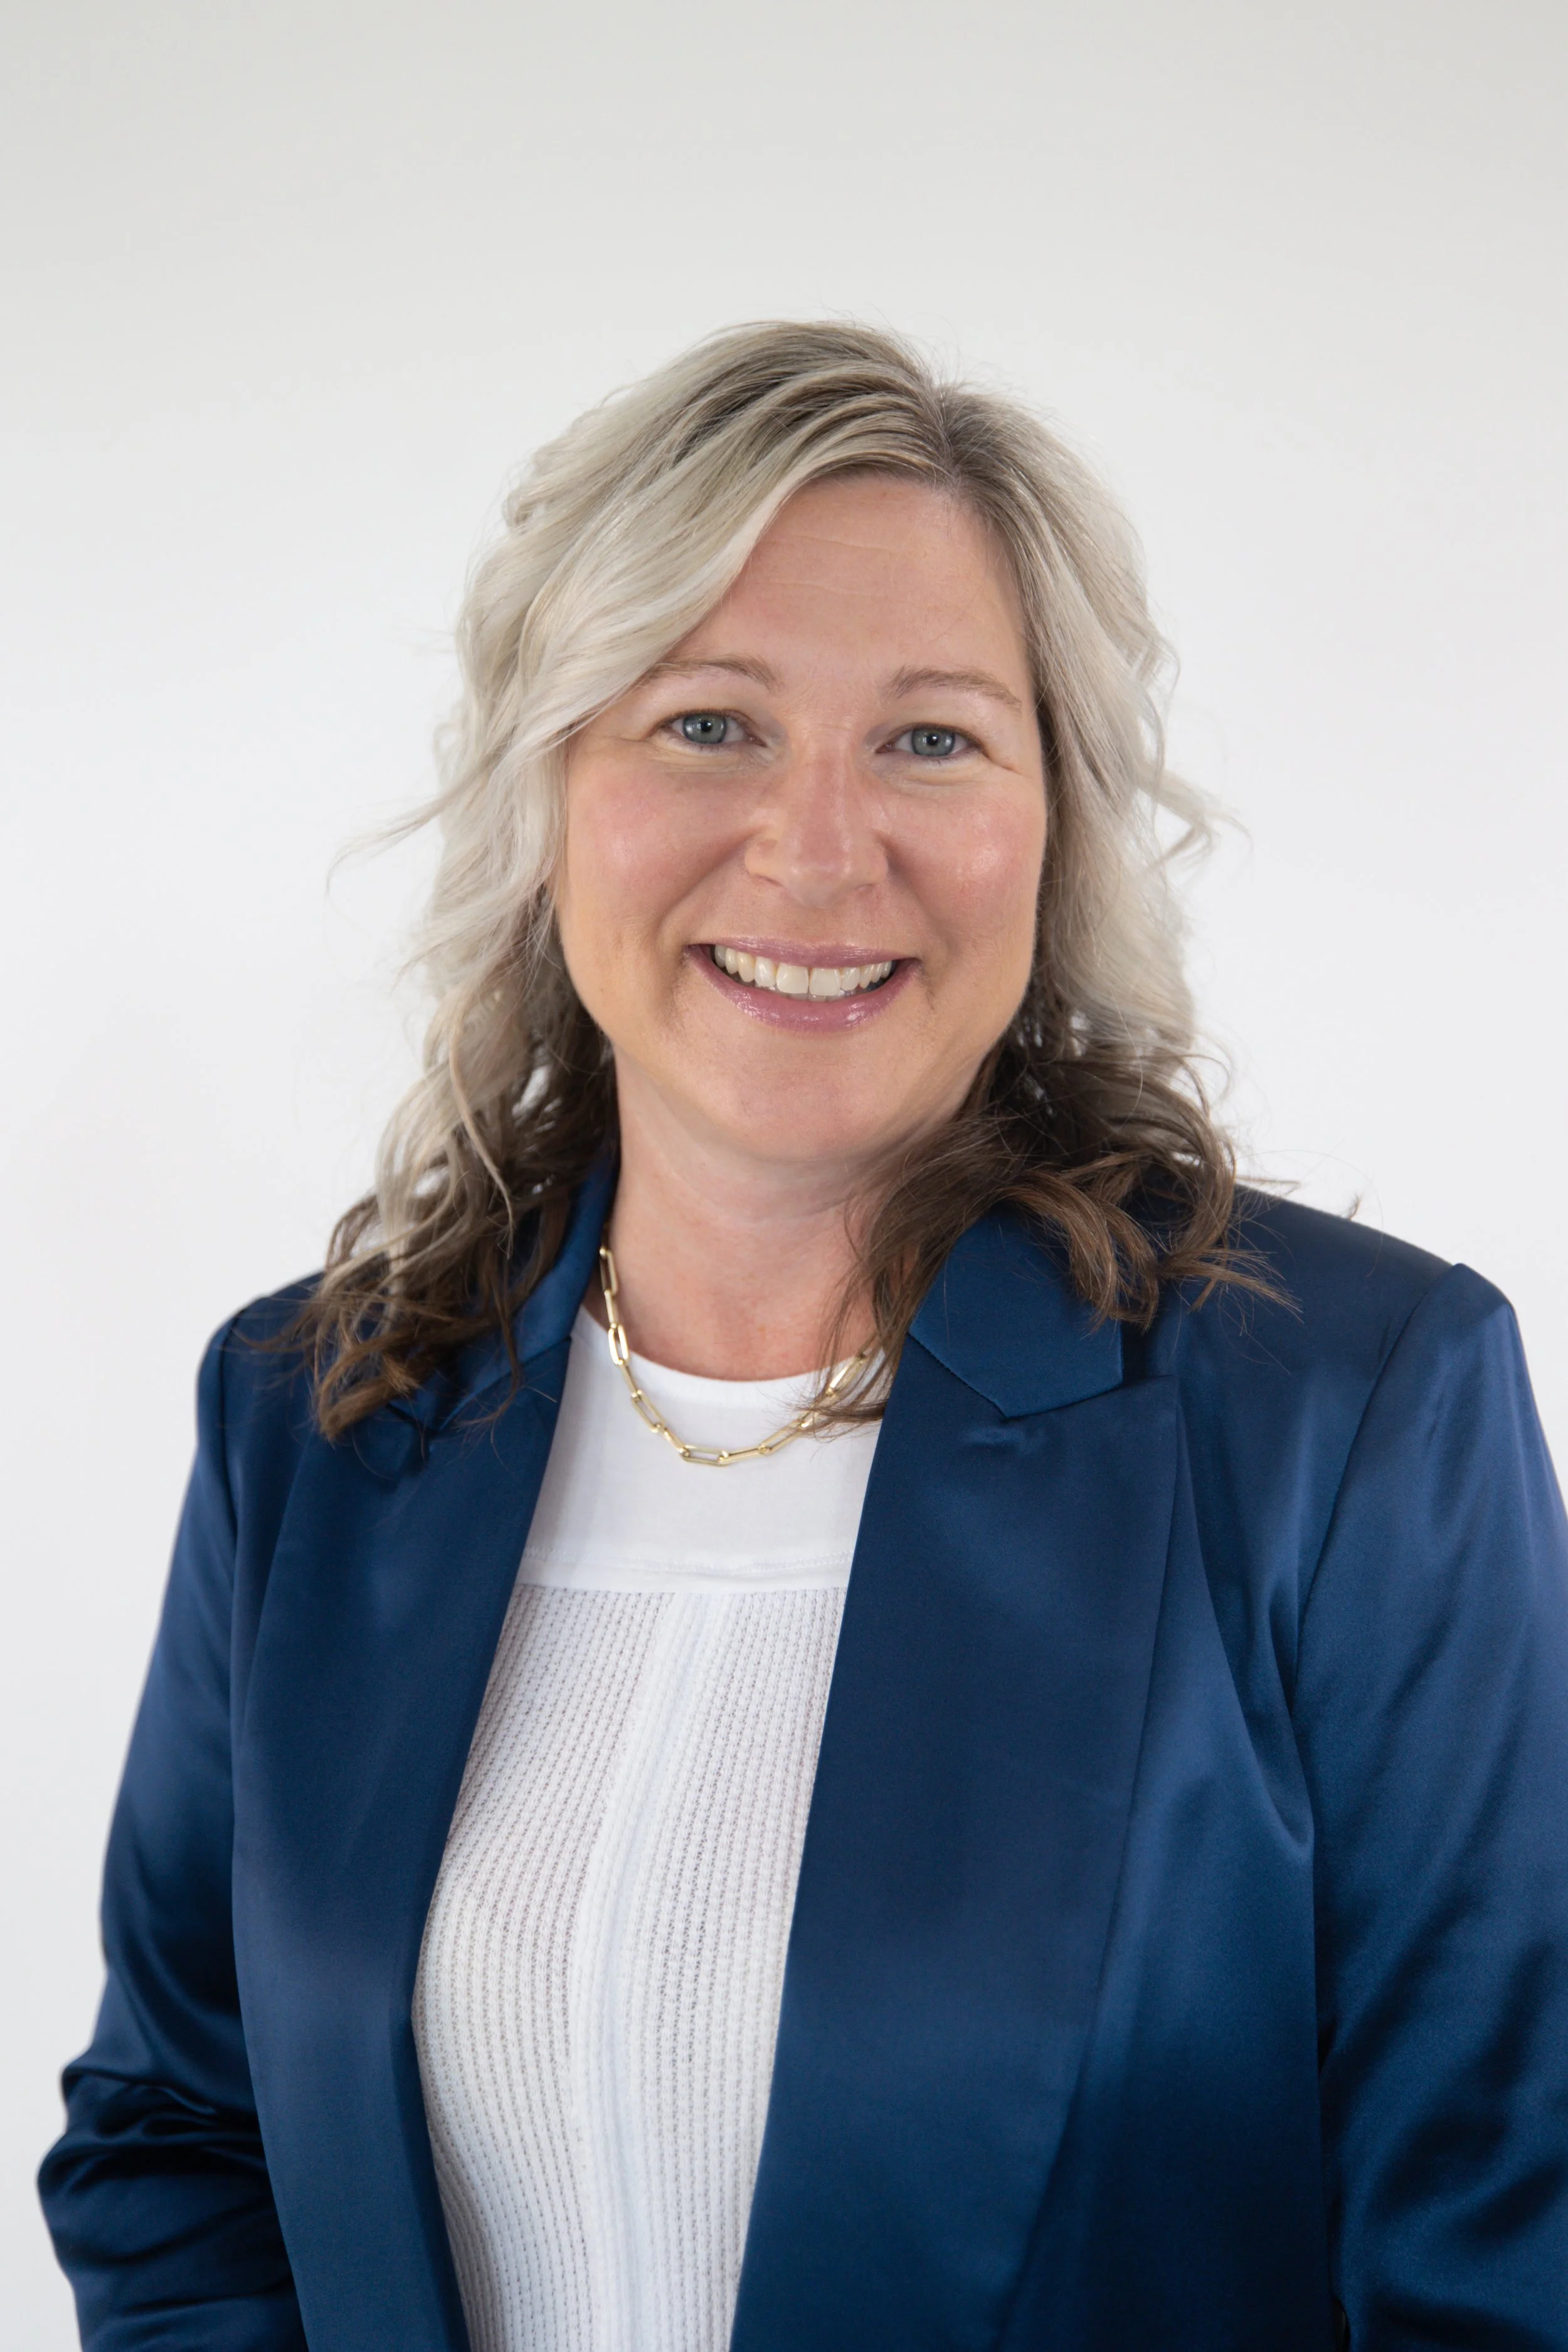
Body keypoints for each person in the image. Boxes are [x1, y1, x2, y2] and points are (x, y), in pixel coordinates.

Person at [40, 322, 1568, 2352]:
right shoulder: (313, 1417)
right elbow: (176, 2143)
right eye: (707, 724)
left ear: (1056, 822)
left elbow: (1506, 2258)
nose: (817, 849)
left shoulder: (1350, 1423)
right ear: (549, 787)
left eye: (931, 738)